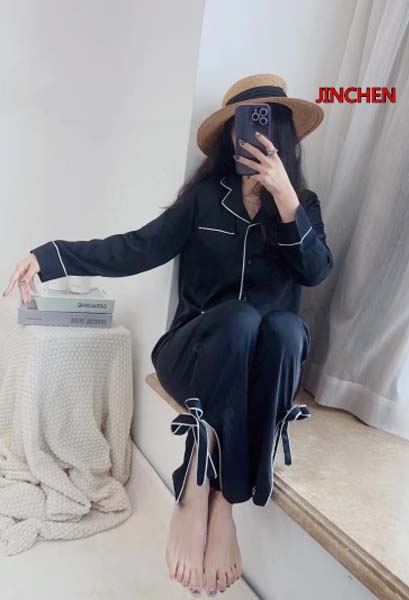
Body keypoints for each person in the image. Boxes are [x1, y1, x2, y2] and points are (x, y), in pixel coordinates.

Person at [3, 73, 333, 597]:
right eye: (245, 125)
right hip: (194, 352)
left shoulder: (302, 206)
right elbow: (135, 248)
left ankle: (223, 506)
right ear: (230, 137)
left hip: (260, 366)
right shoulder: (204, 200)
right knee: (238, 318)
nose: (255, 134)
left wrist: (286, 199)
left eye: (268, 123)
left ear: (286, 135)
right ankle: (196, 490)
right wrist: (50, 256)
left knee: (286, 327)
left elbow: (315, 271)